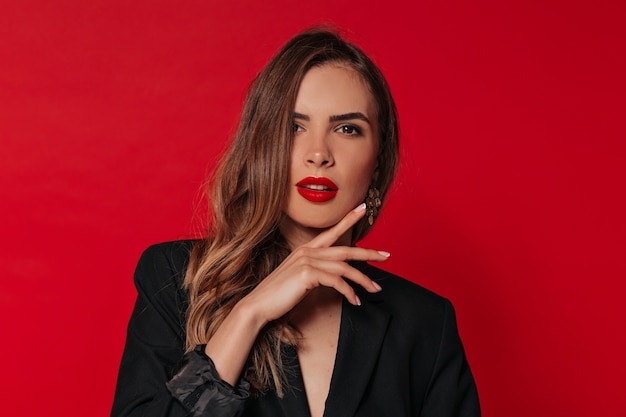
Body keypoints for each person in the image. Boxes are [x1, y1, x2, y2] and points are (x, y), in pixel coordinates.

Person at [111, 28, 480, 417]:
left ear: (378, 161)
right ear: (260, 147)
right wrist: (249, 314)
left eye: (347, 129)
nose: (319, 153)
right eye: (294, 127)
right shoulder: (176, 279)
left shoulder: (424, 323)